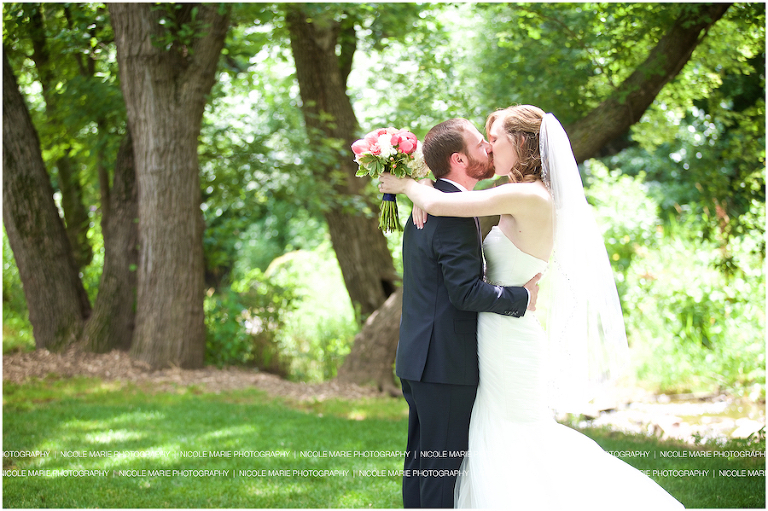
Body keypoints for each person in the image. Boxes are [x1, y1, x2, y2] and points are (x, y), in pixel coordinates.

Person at [379, 105, 684, 509]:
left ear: (522, 142)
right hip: (486, 338)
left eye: (497, 139)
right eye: (484, 141)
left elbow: (443, 205)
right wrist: (427, 191)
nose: (490, 147)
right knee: (467, 451)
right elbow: (445, 204)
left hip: (508, 340)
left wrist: (407, 185)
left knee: (515, 439)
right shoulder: (515, 195)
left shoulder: (528, 195)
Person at [392, 117, 542, 508]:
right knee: (440, 478)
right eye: (481, 144)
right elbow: (465, 293)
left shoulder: (433, 202)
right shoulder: (445, 211)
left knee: (422, 468)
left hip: (420, 358)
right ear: (459, 159)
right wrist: (522, 297)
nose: (489, 149)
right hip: (444, 363)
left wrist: (418, 184)